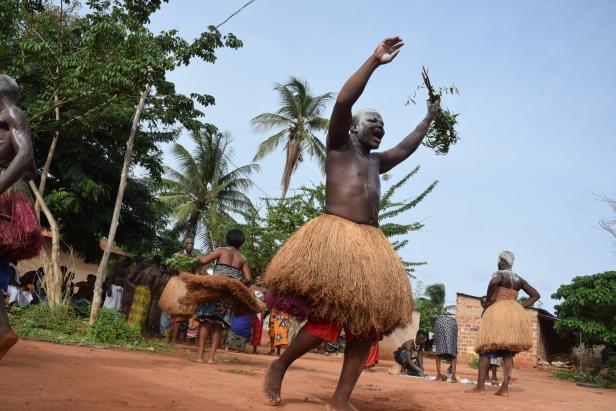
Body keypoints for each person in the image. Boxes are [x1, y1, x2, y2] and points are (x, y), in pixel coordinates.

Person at [263, 37, 440, 409]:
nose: (381, 128)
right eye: (374, 121)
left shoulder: (377, 163)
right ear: (354, 128)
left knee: (366, 328)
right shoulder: (338, 146)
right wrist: (374, 61)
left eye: (383, 124)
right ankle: (280, 365)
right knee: (326, 322)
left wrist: (428, 118)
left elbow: (406, 147)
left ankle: (340, 399)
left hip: (370, 245)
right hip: (336, 237)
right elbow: (344, 102)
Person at [0, 74, 41, 361]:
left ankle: (2, 330)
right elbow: (31, 169)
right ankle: (2, 332)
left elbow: (25, 155)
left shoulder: (12, 113)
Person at [468, 251, 540, 396]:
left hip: (498, 312)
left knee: (485, 350)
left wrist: (489, 300)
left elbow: (494, 282)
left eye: (498, 260)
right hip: (513, 314)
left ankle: (480, 387)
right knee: (507, 353)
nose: (497, 262)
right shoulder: (518, 279)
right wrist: (521, 306)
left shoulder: (499, 273)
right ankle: (504, 389)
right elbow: (536, 295)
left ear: (502, 261)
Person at [185, 229, 255, 364]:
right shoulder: (242, 258)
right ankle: (211, 358)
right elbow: (248, 279)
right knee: (219, 325)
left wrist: (198, 257)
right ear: (241, 243)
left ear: (227, 239)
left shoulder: (221, 250)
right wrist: (234, 282)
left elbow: (204, 260)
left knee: (206, 321)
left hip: (215, 288)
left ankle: (200, 357)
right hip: (228, 295)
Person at [433, 314, 458, 383]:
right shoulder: (453, 321)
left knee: (438, 351)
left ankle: (438, 376)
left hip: (439, 323)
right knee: (453, 353)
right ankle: (453, 377)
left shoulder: (438, 320)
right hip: (452, 324)